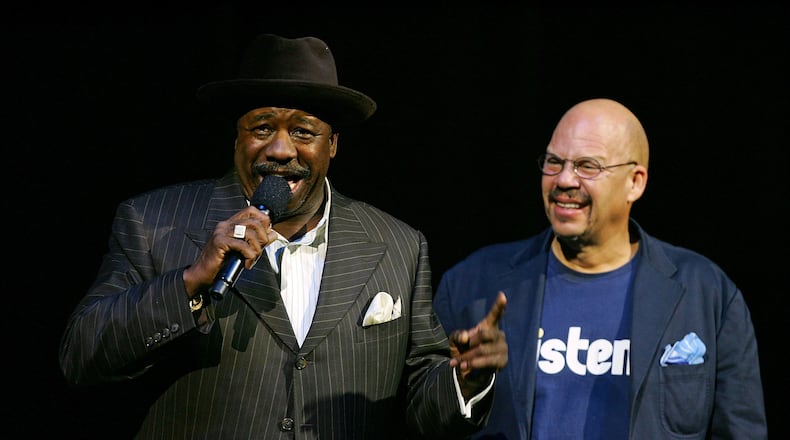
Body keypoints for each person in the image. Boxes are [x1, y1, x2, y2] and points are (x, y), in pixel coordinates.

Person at [59, 33, 508, 439]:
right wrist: (192, 281)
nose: (279, 149)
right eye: (262, 128)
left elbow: (423, 405)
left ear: (331, 145)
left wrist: (463, 379)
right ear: (236, 138)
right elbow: (81, 356)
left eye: (302, 131)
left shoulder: (398, 245)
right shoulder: (154, 221)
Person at [433, 98, 767, 439]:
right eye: (553, 162)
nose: (564, 180)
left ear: (635, 182)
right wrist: (462, 384)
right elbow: (421, 421)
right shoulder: (472, 285)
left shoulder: (706, 294)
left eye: (587, 166)